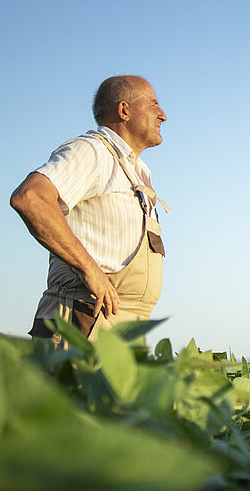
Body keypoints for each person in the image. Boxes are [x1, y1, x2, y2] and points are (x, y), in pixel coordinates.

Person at [10, 75, 169, 343]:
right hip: (82, 323)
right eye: (153, 104)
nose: (163, 115)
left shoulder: (139, 171)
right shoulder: (93, 150)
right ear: (124, 110)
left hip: (121, 332)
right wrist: (90, 269)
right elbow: (30, 197)